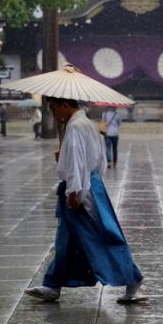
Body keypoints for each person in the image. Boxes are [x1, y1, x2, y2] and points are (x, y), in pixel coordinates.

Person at [25, 97, 145, 303]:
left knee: (99, 237)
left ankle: (132, 279)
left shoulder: (75, 128)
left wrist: (74, 193)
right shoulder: (86, 124)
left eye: (54, 109)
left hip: (81, 190)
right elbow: (99, 160)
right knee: (66, 240)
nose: (54, 114)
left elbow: (76, 164)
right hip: (91, 185)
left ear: (65, 105)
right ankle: (53, 284)